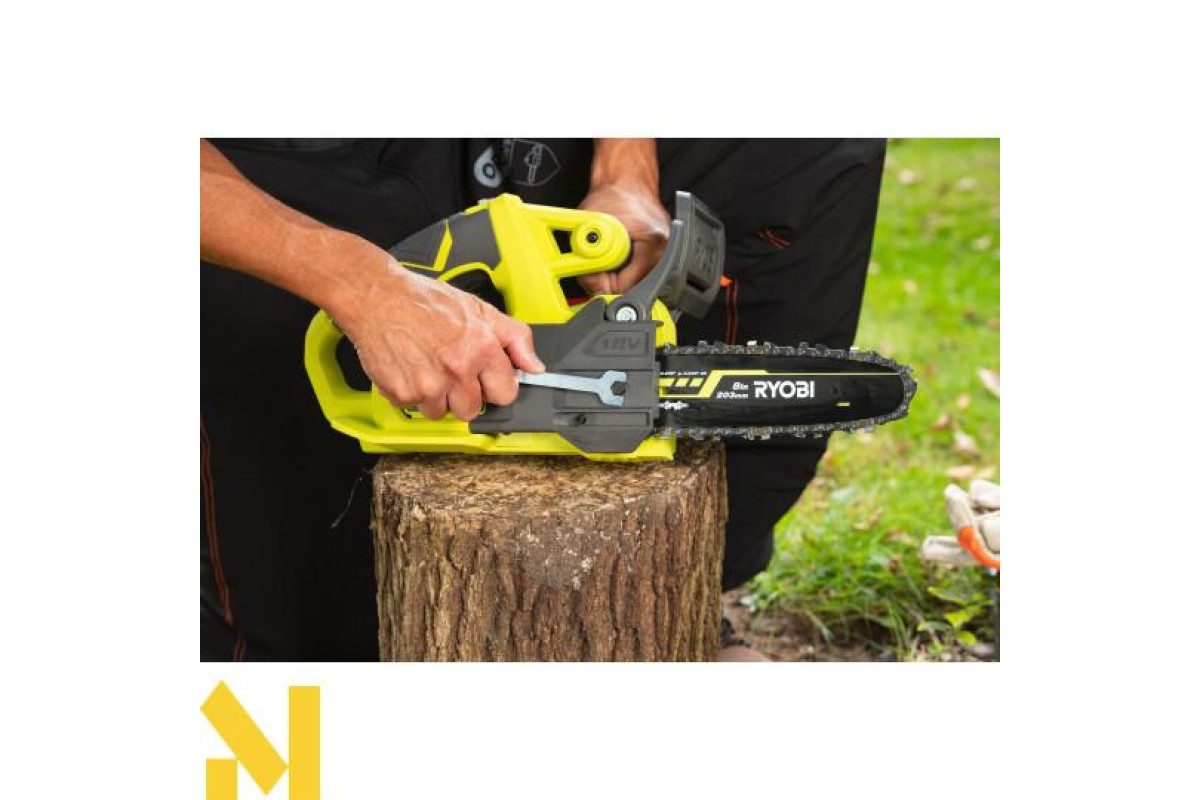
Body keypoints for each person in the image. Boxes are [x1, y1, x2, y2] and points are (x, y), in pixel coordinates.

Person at [201, 138, 886, 661]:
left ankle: (693, 607)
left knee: (809, 146)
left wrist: (624, 172)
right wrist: (364, 285)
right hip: (262, 170)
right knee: (306, 636)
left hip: (496, 132)